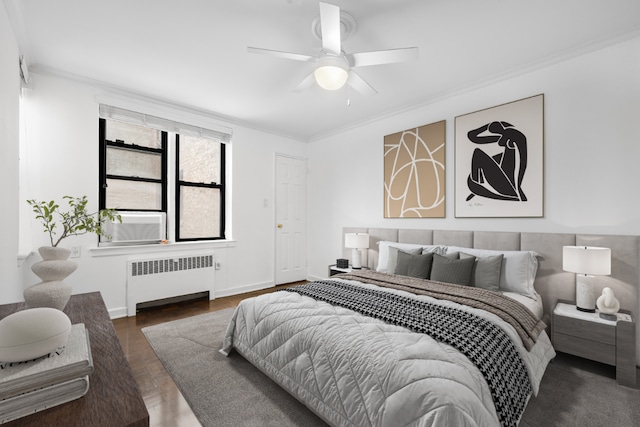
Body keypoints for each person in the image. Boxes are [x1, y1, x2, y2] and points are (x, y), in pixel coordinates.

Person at [465, 121, 528, 202]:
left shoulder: (509, 134)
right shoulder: (516, 138)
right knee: (499, 156)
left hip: (506, 185)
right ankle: (479, 187)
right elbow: (472, 137)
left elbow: (473, 137)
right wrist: (488, 126)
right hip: (508, 183)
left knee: (478, 154)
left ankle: (478, 184)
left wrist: (486, 127)